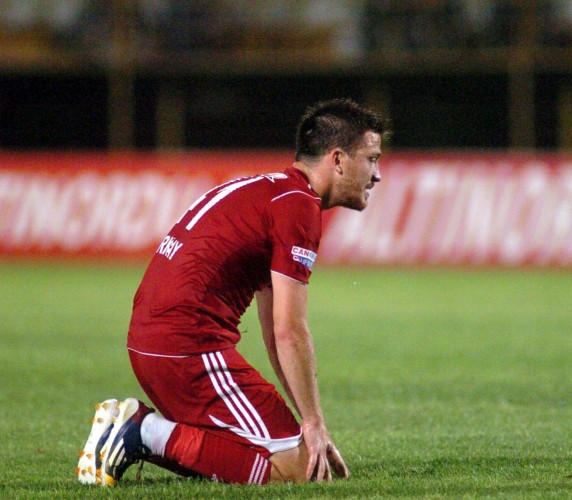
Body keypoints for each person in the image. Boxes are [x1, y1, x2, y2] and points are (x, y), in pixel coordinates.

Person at [76, 98, 390, 486]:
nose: (377, 175)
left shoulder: (267, 191)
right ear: (338, 159)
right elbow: (290, 331)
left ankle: (145, 433)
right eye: (372, 159)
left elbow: (274, 333)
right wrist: (313, 424)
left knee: (258, 454)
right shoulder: (298, 207)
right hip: (188, 350)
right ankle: (144, 431)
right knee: (299, 471)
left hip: (150, 346)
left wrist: (305, 421)